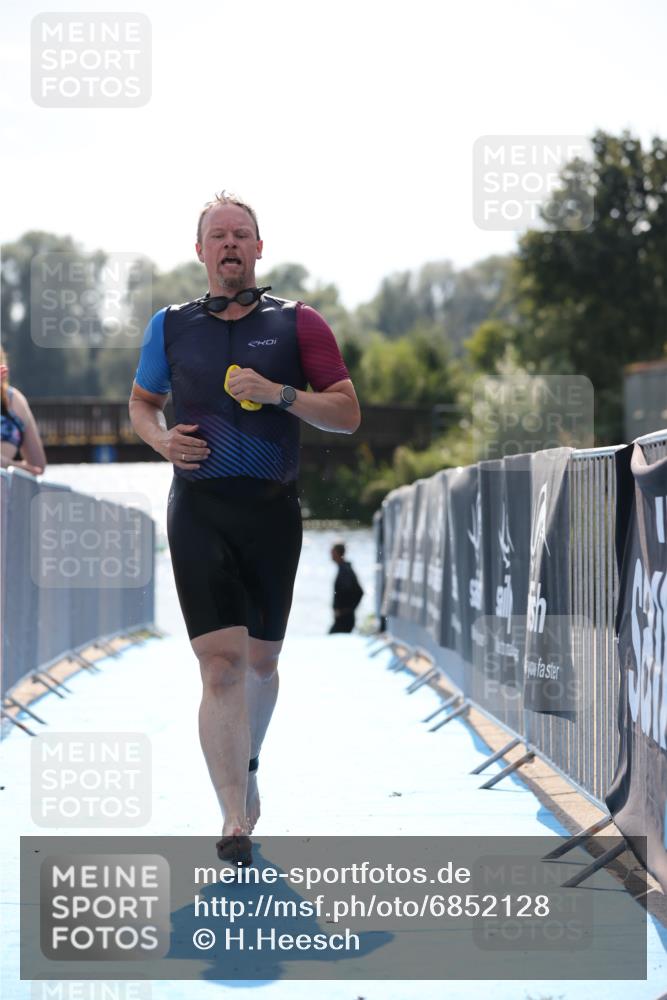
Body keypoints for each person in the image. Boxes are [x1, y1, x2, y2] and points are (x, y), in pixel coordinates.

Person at [129, 191, 361, 864]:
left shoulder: (300, 324)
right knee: (220, 666)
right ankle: (234, 815)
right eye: (217, 235)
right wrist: (161, 442)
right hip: (197, 508)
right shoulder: (169, 326)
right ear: (199, 251)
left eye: (241, 234)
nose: (229, 243)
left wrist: (281, 394)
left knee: (261, 662)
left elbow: (345, 415)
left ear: (259, 249)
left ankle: (246, 761)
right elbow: (144, 404)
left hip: (271, 511)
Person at [0, 348, 47, 476]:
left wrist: (9, 465)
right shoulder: (15, 400)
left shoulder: (15, 400)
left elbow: (37, 467)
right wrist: (11, 465)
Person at [329, 542, 364, 634]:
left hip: (345, 619)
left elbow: (359, 592)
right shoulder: (343, 568)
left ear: (337, 553)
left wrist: (346, 610)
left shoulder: (345, 570)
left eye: (332, 552)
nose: (330, 554)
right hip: (342, 618)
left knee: (331, 638)